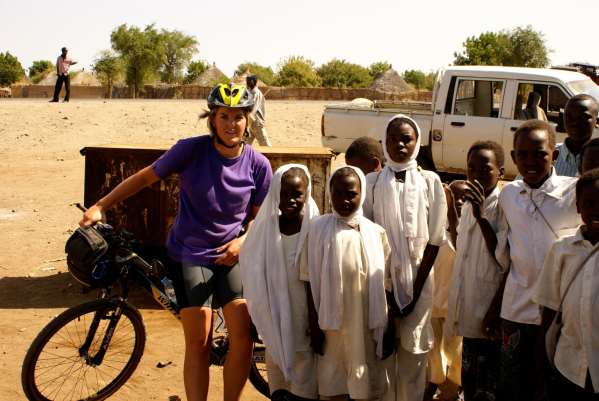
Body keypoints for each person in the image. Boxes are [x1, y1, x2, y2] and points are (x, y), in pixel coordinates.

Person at [79, 83, 273, 401]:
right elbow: (144, 178)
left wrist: (244, 242)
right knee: (199, 340)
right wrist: (101, 205)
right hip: (191, 253)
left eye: (238, 117)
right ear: (212, 120)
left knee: (243, 336)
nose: (231, 124)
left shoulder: (257, 165)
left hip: (232, 255)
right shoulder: (191, 150)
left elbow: (261, 218)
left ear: (248, 121)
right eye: (224, 116)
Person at [489, 120, 580, 401]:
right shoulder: (509, 195)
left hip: (560, 314)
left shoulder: (575, 193)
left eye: (539, 153)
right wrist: (495, 305)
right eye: (523, 154)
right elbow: (508, 255)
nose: (531, 161)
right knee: (513, 385)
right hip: (516, 311)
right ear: (514, 157)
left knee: (551, 384)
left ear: (554, 154)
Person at [363, 114, 448, 401]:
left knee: (414, 355)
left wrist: (415, 291)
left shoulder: (430, 181)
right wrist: (387, 293)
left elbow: (435, 239)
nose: (400, 144)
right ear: (383, 143)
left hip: (419, 281)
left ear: (417, 142)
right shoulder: (372, 183)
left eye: (406, 139)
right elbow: (367, 238)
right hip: (379, 281)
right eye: (393, 139)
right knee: (383, 355)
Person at [301, 166, 391, 401]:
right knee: (334, 384)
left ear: (362, 194)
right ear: (330, 193)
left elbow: (386, 285)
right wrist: (314, 325)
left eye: (351, 194)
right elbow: (309, 281)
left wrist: (386, 328)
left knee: (365, 383)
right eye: (338, 193)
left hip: (365, 324)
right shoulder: (317, 229)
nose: (344, 200)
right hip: (330, 328)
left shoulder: (375, 233)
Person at [240, 164, 319, 401]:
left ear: (307, 194)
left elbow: (316, 282)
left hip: (305, 319)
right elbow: (253, 275)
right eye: (284, 194)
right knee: (278, 380)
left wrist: (315, 323)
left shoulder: (314, 230)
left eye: (297, 194)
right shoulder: (264, 230)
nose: (291, 200)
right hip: (273, 319)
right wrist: (256, 317)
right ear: (275, 193)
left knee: (305, 380)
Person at [444, 141, 506, 401]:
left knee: (488, 384)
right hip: (469, 307)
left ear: (500, 172)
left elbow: (504, 259)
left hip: (488, 310)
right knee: (470, 379)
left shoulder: (502, 206)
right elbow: (465, 251)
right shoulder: (470, 203)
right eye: (471, 168)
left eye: (485, 168)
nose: (477, 174)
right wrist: (453, 216)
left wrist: (482, 217)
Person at [534, 168, 599, 401]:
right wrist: (541, 364)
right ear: (578, 207)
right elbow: (550, 309)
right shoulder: (562, 249)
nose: (596, 210)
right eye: (589, 203)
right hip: (568, 364)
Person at [424, 181, 467, 401]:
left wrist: (451, 211)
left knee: (456, 353)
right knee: (434, 353)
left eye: (463, 198)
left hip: (455, 308)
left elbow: (461, 248)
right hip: (433, 305)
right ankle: (434, 386)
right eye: (454, 198)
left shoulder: (466, 234)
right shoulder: (435, 230)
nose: (458, 202)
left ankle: (453, 391)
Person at [554, 94, 599, 176]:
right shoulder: (549, 155)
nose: (575, 122)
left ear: (596, 121)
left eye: (583, 117)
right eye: (569, 116)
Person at [246, 75, 272, 146]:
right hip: (253, 121)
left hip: (253, 121)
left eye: (247, 81)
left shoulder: (252, 93)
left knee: (246, 144)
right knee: (265, 145)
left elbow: (251, 109)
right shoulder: (253, 92)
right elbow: (252, 110)